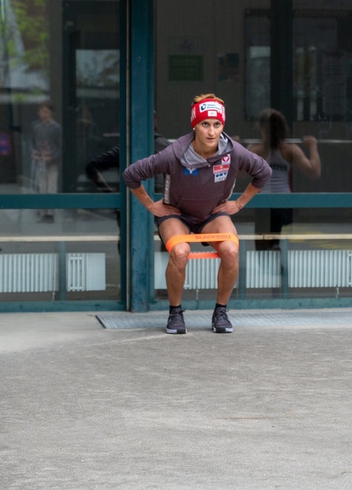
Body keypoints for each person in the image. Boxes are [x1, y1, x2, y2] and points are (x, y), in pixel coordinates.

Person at [123, 94, 272, 335]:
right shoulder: (173, 154)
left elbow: (263, 172)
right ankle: (175, 312)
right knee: (180, 252)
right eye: (205, 124)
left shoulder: (233, 152)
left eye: (217, 124)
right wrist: (151, 206)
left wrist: (239, 204)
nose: (211, 131)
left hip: (212, 214)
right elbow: (131, 175)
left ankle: (221, 311)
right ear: (195, 125)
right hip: (176, 214)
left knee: (231, 250)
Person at [246, 108, 321, 250]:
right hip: (282, 204)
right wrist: (313, 146)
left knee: (263, 246)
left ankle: (273, 247)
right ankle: (275, 245)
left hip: (267, 205)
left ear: (261, 127)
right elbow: (314, 171)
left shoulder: (255, 150)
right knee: (270, 242)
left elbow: (237, 173)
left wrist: (233, 149)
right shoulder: (290, 149)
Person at [30, 102, 62, 223]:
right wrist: (35, 153)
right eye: (41, 112)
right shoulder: (36, 127)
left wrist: (52, 156)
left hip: (52, 162)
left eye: (45, 112)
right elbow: (33, 143)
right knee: (42, 186)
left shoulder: (56, 128)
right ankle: (44, 212)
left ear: (50, 113)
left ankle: (51, 213)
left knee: (51, 187)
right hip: (40, 161)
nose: (43, 114)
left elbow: (60, 146)